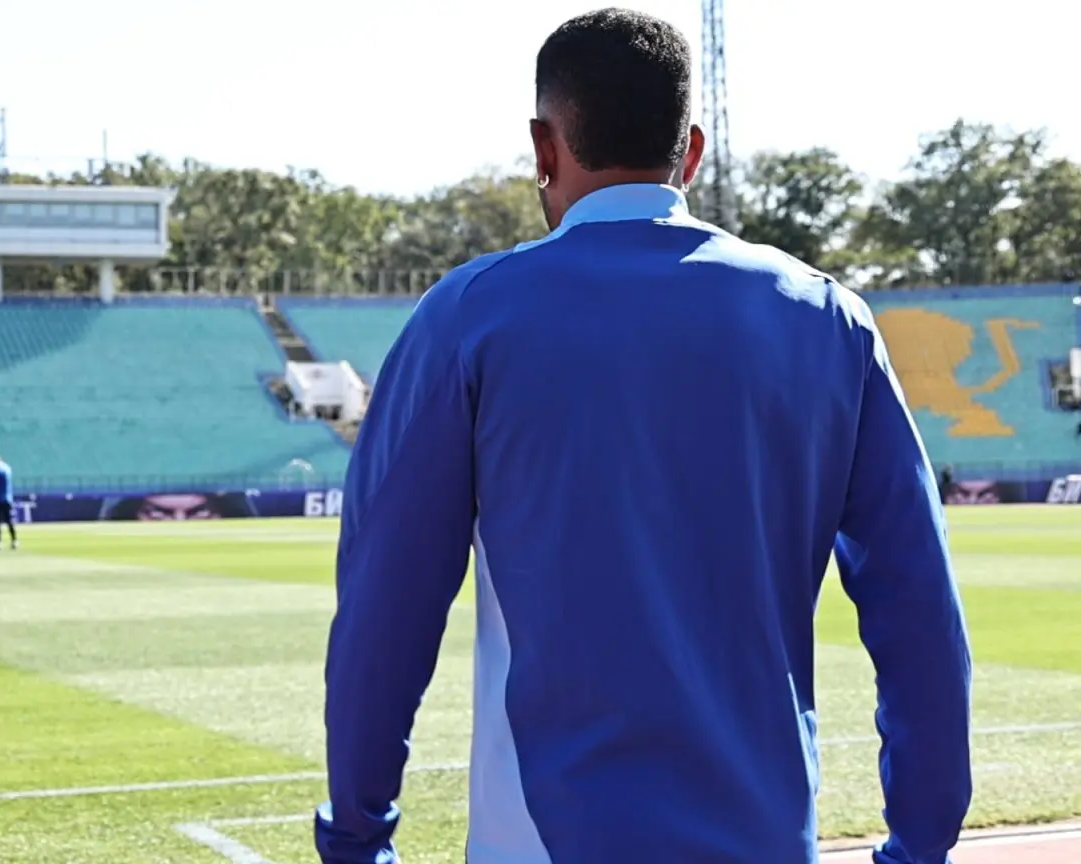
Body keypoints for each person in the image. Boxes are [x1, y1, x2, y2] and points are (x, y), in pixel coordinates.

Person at [317, 10, 972, 864]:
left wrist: (358, 837)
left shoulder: (469, 317)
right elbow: (919, 609)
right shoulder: (828, 319)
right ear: (690, 153)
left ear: (543, 148)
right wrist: (919, 845)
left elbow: (386, 608)